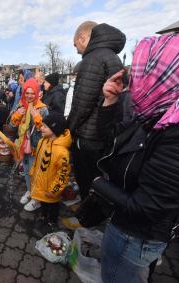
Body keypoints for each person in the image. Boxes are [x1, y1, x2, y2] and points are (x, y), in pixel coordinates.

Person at [91, 35, 179, 283]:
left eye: (146, 69)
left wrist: (98, 184)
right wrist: (110, 100)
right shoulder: (166, 111)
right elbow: (113, 139)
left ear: (172, 72)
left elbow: (147, 207)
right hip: (129, 226)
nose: (136, 80)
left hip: (134, 236)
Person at [66, 21, 125, 204]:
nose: (76, 50)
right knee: (99, 181)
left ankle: (88, 227)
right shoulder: (112, 57)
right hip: (104, 134)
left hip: (88, 138)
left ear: (83, 37)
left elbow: (82, 104)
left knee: (87, 182)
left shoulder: (91, 59)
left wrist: (70, 128)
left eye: (76, 44)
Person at [28, 112, 72, 230]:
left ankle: (52, 222)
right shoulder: (43, 141)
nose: (41, 128)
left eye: (45, 126)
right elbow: (37, 159)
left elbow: (63, 175)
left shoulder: (62, 152)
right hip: (41, 183)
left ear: (55, 128)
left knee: (53, 205)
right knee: (43, 202)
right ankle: (43, 216)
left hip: (51, 189)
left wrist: (54, 190)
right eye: (41, 125)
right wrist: (33, 171)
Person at [10, 78, 49, 210]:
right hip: (23, 146)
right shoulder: (21, 106)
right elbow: (12, 125)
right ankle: (29, 190)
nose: (30, 96)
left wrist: (37, 118)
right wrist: (16, 116)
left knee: (35, 173)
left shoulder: (42, 109)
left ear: (37, 93)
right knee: (26, 171)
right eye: (27, 93)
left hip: (36, 148)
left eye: (33, 93)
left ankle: (37, 199)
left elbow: (46, 131)